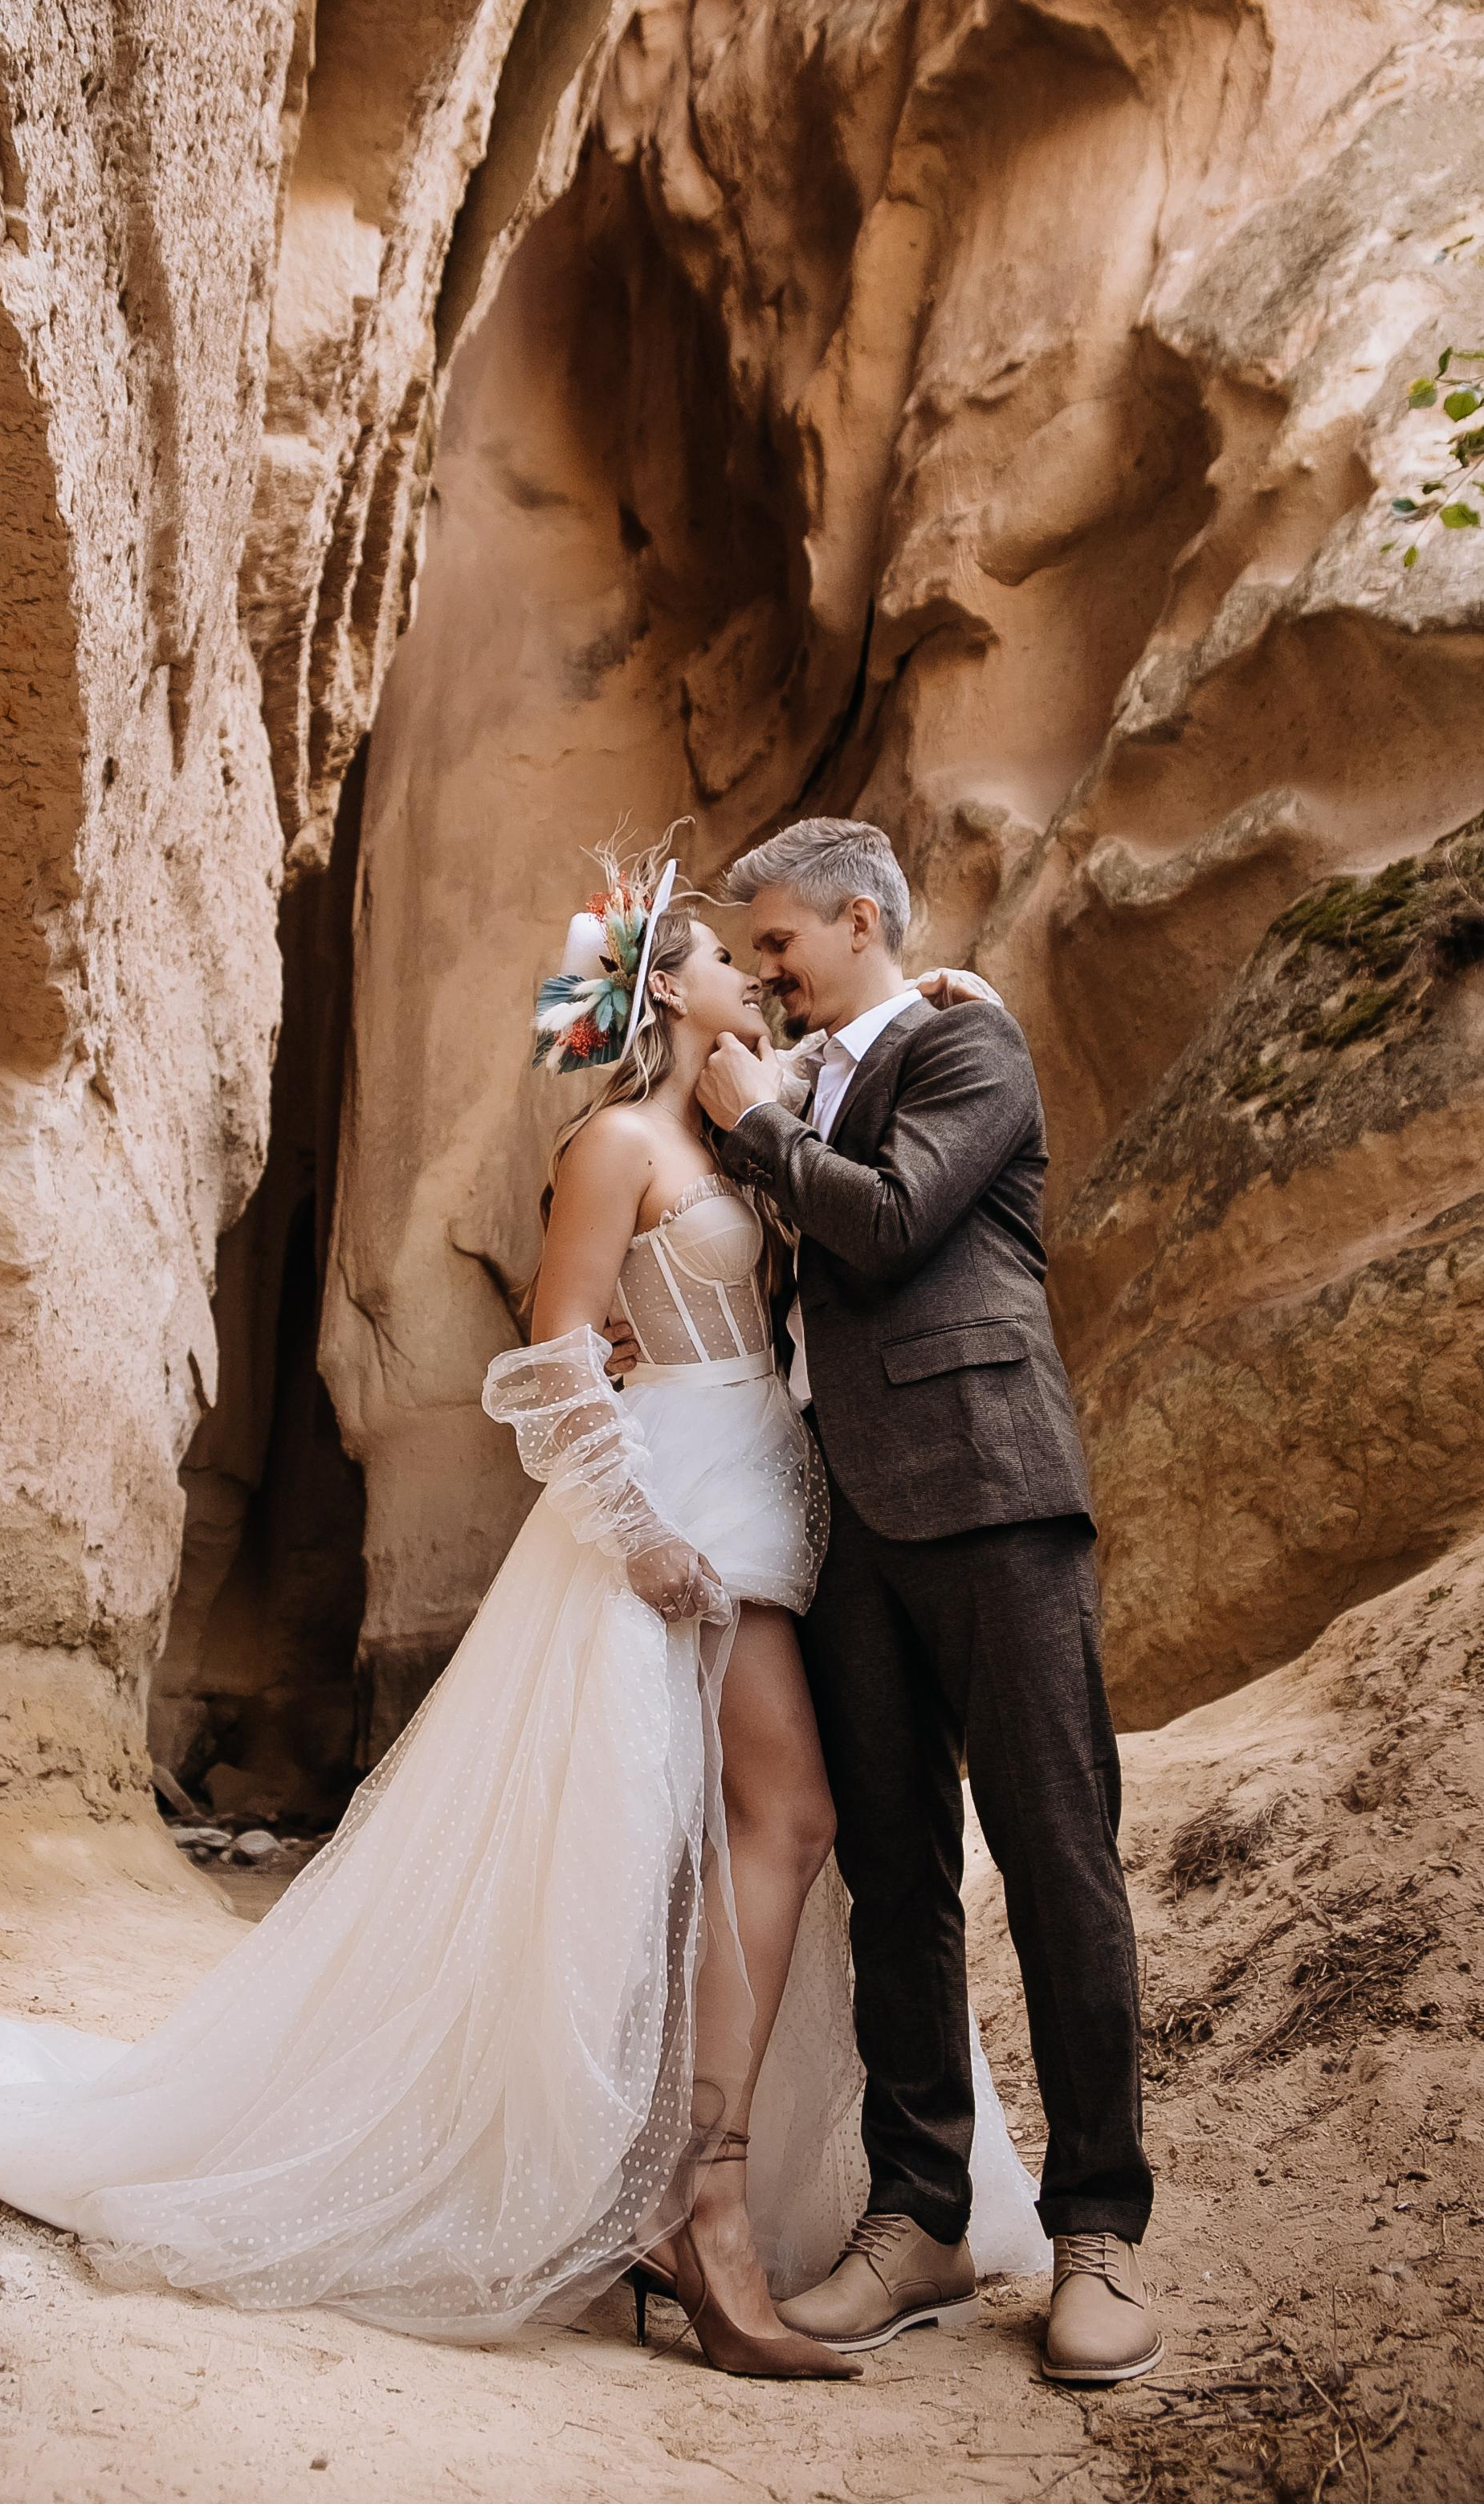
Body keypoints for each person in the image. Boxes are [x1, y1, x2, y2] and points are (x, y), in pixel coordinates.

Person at [0, 838, 1049, 2378]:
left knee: (748, 1838)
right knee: (757, 1827)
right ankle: (692, 2210)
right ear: (665, 994)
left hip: (779, 1496)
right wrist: (633, 1532)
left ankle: (680, 2193)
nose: (751, 970)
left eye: (758, 950)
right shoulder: (620, 1144)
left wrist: (946, 984)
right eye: (718, 955)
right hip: (683, 1517)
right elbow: (556, 1353)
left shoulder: (750, 1115)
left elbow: (864, 1079)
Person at [694, 816, 1160, 2386]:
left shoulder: (972, 1047)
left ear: (853, 918)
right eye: (753, 951)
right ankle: (920, 2218)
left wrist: (758, 1126)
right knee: (892, 1871)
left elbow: (889, 1220)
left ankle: (1097, 2228)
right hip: (843, 1526)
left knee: (1055, 1852)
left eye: (778, 943)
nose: (766, 972)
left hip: (990, 1489)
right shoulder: (801, 1077)